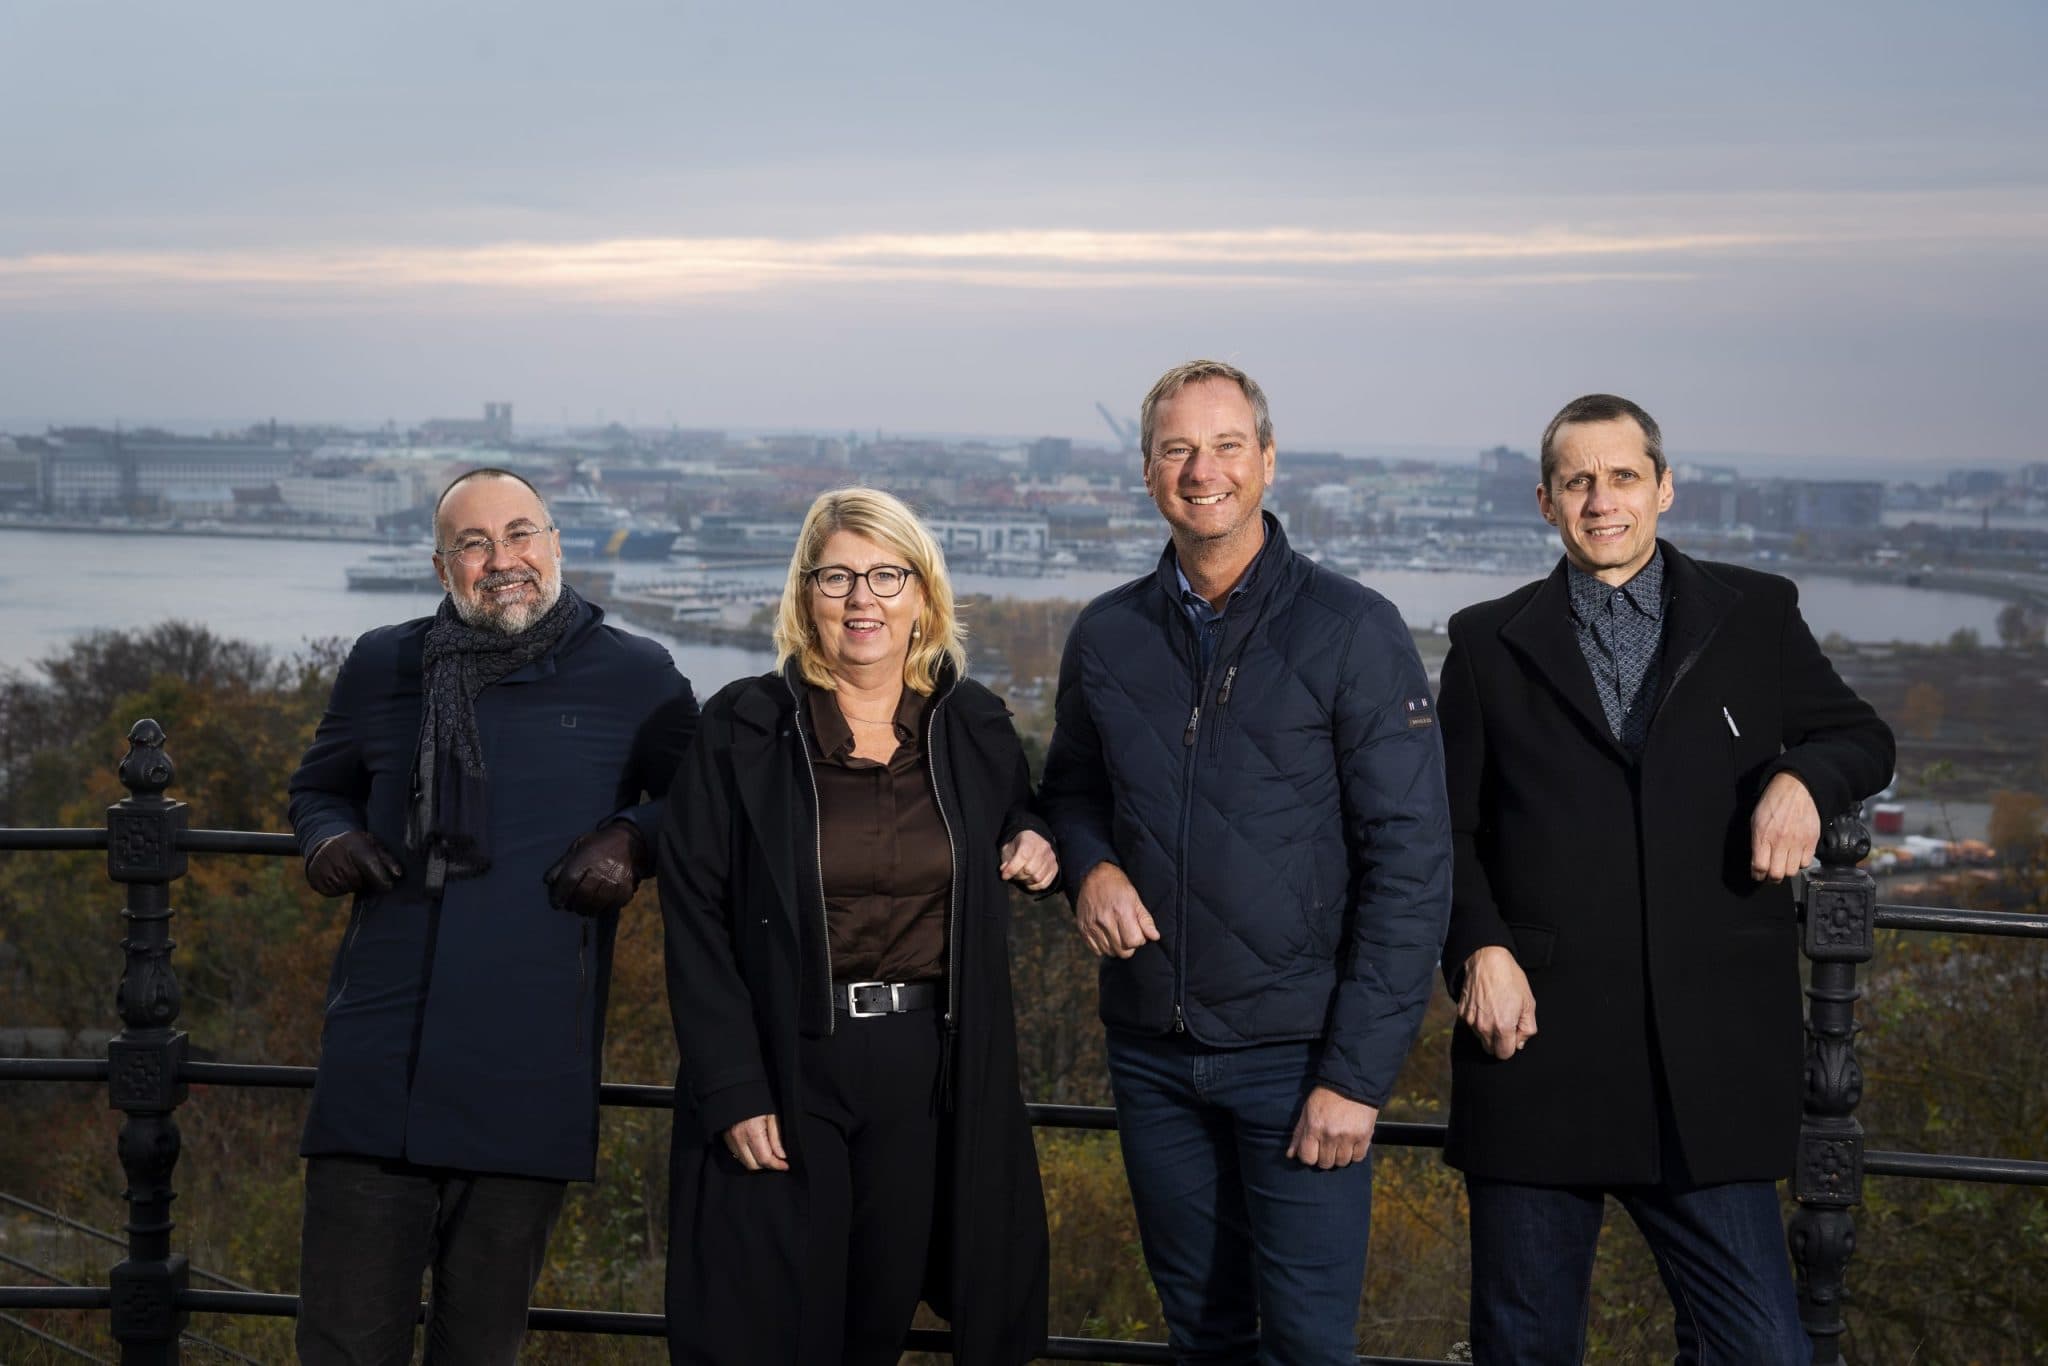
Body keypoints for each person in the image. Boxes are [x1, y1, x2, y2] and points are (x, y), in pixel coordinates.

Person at [1437, 394, 1896, 1364]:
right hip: (1536, 1056)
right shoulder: (1483, 642)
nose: (1600, 500)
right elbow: (1448, 829)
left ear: (1663, 487)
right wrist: (1479, 945)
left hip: (1707, 1062)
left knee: (1764, 1349)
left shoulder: (1754, 611)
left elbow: (1859, 736)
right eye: (1576, 481)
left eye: (1621, 477)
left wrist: (1799, 780)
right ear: (1542, 499)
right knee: (1521, 1350)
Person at [1039, 359, 1453, 1363]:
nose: (1202, 469)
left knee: (1308, 1343)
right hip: (1150, 1048)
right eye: (1177, 448)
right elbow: (1070, 792)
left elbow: (1410, 863)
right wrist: (1087, 868)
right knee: (1202, 1332)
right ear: (1145, 471)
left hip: (1299, 1057)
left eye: (1226, 445)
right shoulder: (1107, 633)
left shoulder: (1352, 629)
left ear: (1266, 462)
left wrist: (1355, 1077)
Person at [287, 467, 697, 1365]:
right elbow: (319, 787)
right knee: (342, 1342)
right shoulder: (382, 662)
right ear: (443, 567)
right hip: (380, 1050)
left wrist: (633, 838)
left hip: (528, 1055)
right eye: (474, 544)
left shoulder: (636, 673)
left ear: (555, 546)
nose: (501, 559)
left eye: (520, 535)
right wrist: (326, 841)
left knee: (482, 1346)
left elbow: (702, 803)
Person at [656, 487, 1053, 1365]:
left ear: (923, 595)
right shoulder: (743, 727)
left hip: (923, 1070)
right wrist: (731, 1083)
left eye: (885, 575)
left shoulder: (974, 726)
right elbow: (692, 909)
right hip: (786, 1059)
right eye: (837, 577)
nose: (862, 599)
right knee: (768, 1321)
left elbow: (1027, 813)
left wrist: (1036, 837)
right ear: (805, 597)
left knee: (875, 1319)